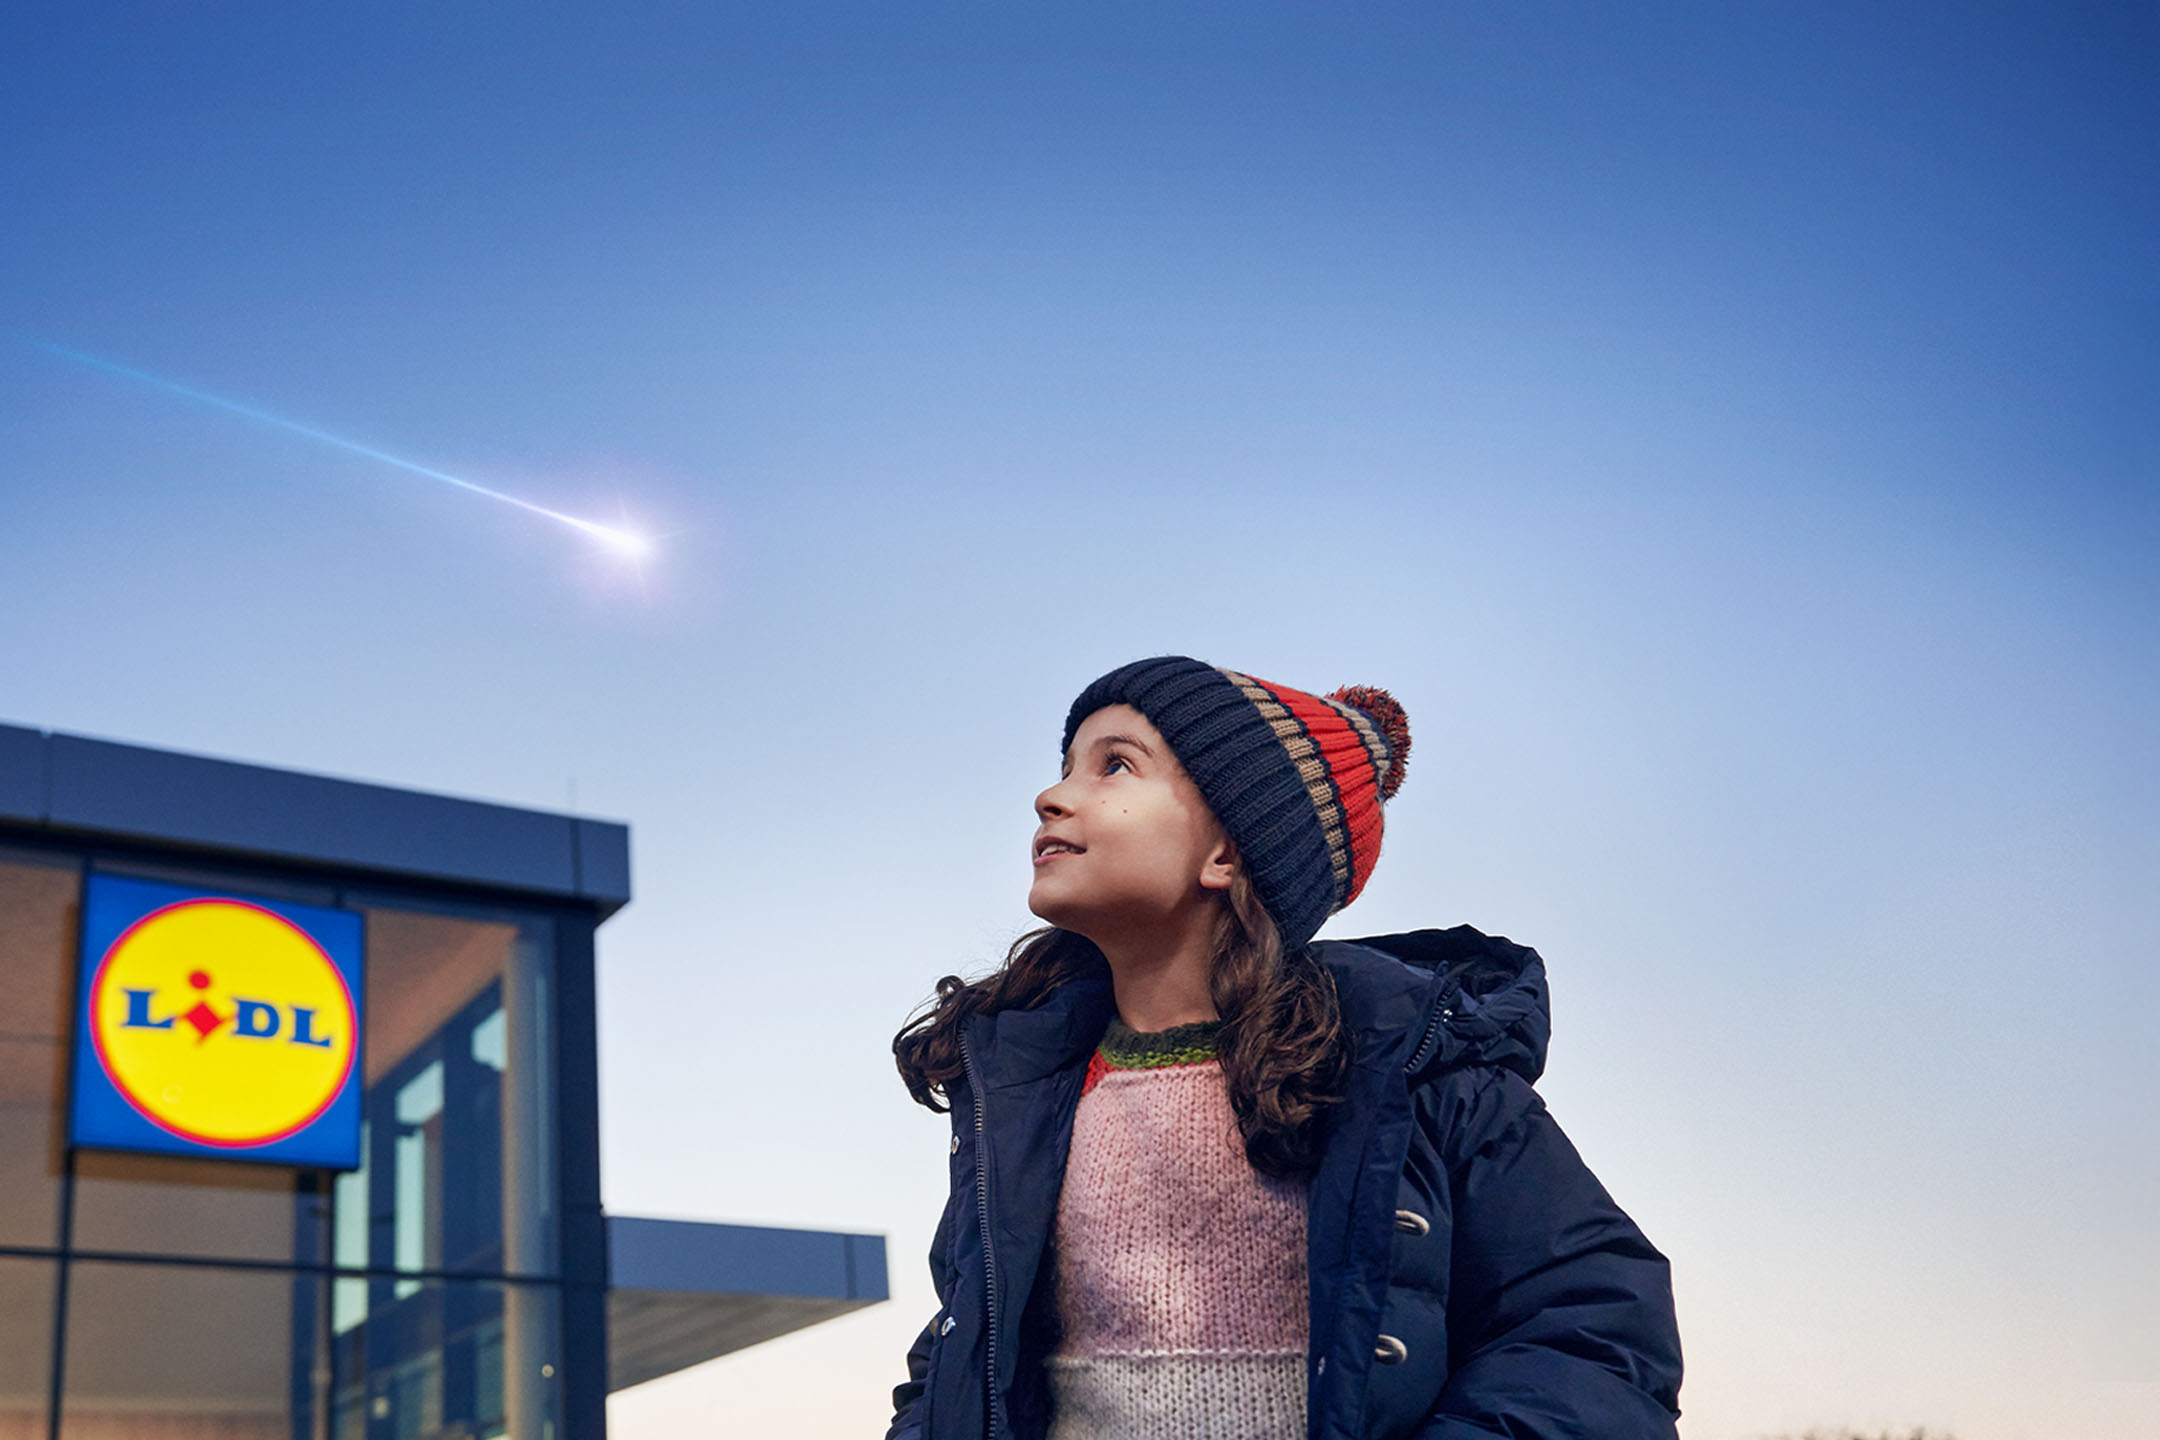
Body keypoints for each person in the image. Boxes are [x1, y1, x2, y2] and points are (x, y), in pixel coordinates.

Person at [888, 656, 1683, 1440]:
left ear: (1226, 853)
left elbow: (1594, 1328)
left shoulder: (1412, 1067)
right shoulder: (1024, 1098)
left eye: (1115, 766)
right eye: (1065, 767)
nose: (1052, 795)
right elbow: (955, 1361)